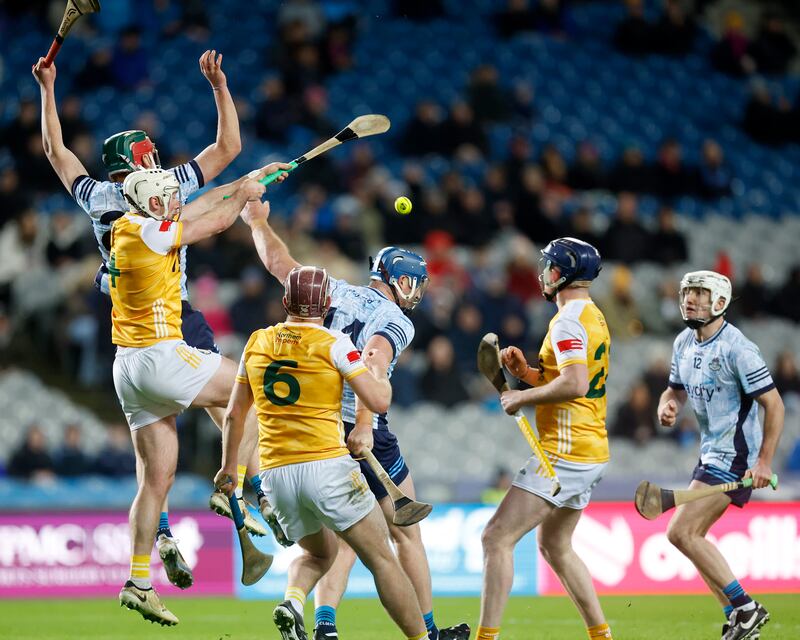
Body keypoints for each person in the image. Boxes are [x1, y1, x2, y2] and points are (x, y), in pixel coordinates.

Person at [32, 52, 274, 552]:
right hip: (170, 310)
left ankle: (165, 531)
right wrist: (219, 86)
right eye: (150, 161)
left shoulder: (97, 197)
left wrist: (47, 89)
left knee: (155, 431)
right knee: (237, 394)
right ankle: (245, 486)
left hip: (125, 321)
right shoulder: (162, 195)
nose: (159, 168)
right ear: (137, 167)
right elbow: (228, 148)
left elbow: (57, 152)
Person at [240, 200, 469, 640]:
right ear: (397, 280)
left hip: (316, 427)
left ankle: (324, 625)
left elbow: (276, 261)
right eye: (413, 282)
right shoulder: (395, 319)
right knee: (404, 537)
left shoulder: (328, 289)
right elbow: (373, 361)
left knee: (341, 537)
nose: (416, 291)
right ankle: (429, 631)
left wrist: (259, 222)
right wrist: (365, 422)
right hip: (363, 427)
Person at [215, 265, 430, 640]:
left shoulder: (256, 342)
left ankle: (294, 601)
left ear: (284, 302)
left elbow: (235, 413)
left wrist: (229, 468)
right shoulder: (334, 343)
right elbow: (377, 399)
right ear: (327, 303)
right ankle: (423, 638)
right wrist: (377, 378)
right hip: (327, 467)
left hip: (276, 476)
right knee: (382, 558)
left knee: (320, 555)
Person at [108, 168, 271, 625]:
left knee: (154, 484)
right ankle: (231, 482)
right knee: (254, 385)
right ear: (153, 204)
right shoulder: (151, 233)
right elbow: (213, 223)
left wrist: (249, 180)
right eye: (168, 198)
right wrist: (244, 199)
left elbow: (200, 206)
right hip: (161, 357)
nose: (175, 202)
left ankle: (139, 583)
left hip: (129, 367)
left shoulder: (128, 223)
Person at [477, 237, 614, 640]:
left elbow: (575, 382)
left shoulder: (568, 321)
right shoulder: (594, 315)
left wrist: (522, 394)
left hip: (565, 452)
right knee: (555, 546)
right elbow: (574, 380)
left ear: (562, 273)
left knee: (495, 537)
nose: (543, 273)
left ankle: (486, 637)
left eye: (548, 266)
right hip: (591, 449)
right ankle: (601, 634)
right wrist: (530, 374)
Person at [657, 270, 783, 640]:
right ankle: (739, 619)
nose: (690, 300)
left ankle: (745, 608)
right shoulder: (683, 342)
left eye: (699, 293)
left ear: (720, 302)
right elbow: (674, 391)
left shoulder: (738, 349)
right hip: (710, 453)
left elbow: (774, 405)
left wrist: (764, 461)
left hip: (735, 458)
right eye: (686, 293)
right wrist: (668, 406)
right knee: (688, 536)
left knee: (680, 532)